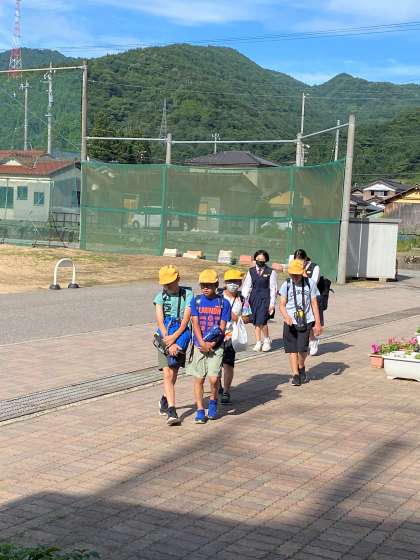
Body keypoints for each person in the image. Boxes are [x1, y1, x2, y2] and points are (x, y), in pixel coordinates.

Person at [187, 269, 231, 424]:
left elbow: (222, 327)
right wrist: (202, 343)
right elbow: (195, 324)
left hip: (216, 346)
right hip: (199, 346)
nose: (205, 288)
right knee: (199, 379)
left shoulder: (223, 303)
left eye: (209, 285)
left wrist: (212, 344)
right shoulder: (196, 301)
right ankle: (200, 410)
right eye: (202, 285)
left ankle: (213, 400)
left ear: (216, 285)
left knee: (213, 379)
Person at [154, 265, 193, 426]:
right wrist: (167, 341)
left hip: (181, 334)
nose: (167, 286)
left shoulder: (188, 294)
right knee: (167, 373)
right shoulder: (160, 297)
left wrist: (175, 339)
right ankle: (172, 410)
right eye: (165, 283)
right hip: (165, 334)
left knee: (174, 371)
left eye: (170, 282)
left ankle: (164, 399)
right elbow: (160, 321)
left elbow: (186, 320)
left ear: (178, 279)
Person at [279, 259, 322, 386]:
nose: (295, 277)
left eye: (297, 274)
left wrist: (318, 323)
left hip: (306, 320)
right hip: (290, 322)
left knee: (302, 348)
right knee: (292, 349)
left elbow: (314, 303)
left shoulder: (310, 283)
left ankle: (301, 366)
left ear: (302, 272)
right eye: (292, 274)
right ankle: (295, 374)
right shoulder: (286, 284)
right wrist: (286, 316)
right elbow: (282, 304)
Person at [220, 269, 251, 405]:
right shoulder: (218, 297)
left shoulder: (242, 299)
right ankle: (218, 385)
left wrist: (237, 318)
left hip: (231, 337)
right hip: (216, 335)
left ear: (240, 283)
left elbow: (247, 317)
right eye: (230, 281)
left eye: (236, 281)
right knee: (215, 365)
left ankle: (226, 391)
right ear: (225, 282)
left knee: (228, 364)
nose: (233, 284)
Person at [242, 250, 277, 352]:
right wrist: (244, 299)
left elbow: (273, 288)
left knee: (262, 320)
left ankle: (266, 340)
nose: (260, 261)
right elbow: (247, 285)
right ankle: (258, 342)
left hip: (265, 298)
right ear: (255, 259)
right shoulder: (251, 271)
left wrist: (272, 304)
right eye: (258, 259)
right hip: (254, 298)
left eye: (262, 259)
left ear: (266, 260)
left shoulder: (271, 272)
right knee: (255, 320)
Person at [294, 248, 323, 356]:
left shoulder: (315, 267)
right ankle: (307, 341)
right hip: (299, 298)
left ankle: (313, 340)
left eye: (300, 261)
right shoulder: (294, 266)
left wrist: (303, 272)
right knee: (302, 321)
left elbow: (313, 283)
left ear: (305, 259)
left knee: (310, 322)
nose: (298, 263)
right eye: (296, 261)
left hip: (312, 298)